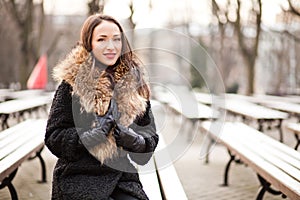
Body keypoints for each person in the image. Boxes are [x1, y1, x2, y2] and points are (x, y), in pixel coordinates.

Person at [45, 14, 159, 200]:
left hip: (121, 177)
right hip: (77, 176)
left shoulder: (134, 84)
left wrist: (136, 141)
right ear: (89, 44)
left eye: (116, 39)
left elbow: (149, 140)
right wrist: (88, 137)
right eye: (101, 39)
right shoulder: (71, 84)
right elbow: (53, 136)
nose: (111, 46)